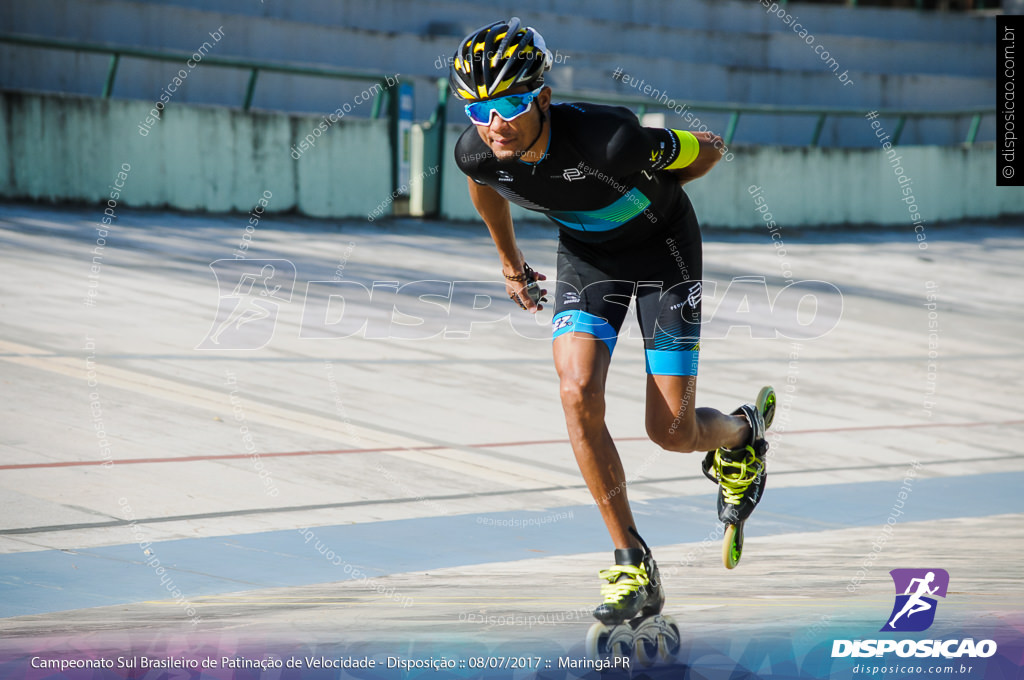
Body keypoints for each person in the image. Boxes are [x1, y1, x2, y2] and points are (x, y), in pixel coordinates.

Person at [449, 18, 775, 626]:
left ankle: (741, 436)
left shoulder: (611, 140)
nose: (494, 124)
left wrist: (687, 147)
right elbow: (485, 186)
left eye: (512, 104)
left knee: (671, 432)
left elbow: (705, 152)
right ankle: (633, 561)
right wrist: (510, 262)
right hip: (589, 258)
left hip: (664, 254)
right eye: (478, 108)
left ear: (542, 96)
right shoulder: (478, 151)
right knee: (576, 392)